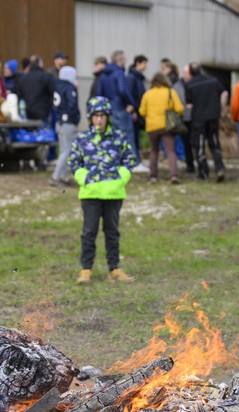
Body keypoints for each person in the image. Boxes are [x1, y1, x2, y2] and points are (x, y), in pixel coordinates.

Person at [67, 96, 138, 285]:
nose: (99, 119)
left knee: (112, 232)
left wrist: (120, 179)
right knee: (88, 232)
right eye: (96, 115)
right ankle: (86, 269)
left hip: (113, 194)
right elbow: (74, 162)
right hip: (91, 193)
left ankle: (114, 269)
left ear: (108, 116)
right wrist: (85, 179)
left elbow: (130, 159)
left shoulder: (119, 138)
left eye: (102, 115)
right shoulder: (82, 139)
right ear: (90, 117)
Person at [185, 62, 228, 181]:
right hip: (213, 117)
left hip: (198, 119)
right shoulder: (213, 80)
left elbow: (189, 105)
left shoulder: (190, 85)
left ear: (190, 72)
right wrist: (221, 108)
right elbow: (224, 93)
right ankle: (219, 168)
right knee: (214, 143)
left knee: (199, 145)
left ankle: (203, 173)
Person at [139, 72, 184, 184]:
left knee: (154, 151)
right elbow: (179, 108)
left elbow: (142, 111)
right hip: (167, 126)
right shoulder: (170, 92)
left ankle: (153, 176)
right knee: (170, 151)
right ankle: (173, 175)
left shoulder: (148, 94)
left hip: (152, 126)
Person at [96, 50, 136, 159]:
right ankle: (131, 161)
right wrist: (130, 103)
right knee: (126, 135)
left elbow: (99, 93)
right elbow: (122, 90)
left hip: (108, 110)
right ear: (120, 60)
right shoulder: (119, 73)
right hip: (120, 108)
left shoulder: (103, 75)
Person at [50, 65, 80, 186]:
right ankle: (55, 176)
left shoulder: (57, 86)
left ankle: (64, 176)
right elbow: (72, 105)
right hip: (67, 123)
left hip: (59, 121)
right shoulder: (69, 88)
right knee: (66, 151)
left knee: (63, 150)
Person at [16, 55, 55, 123]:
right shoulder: (46, 77)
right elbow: (53, 92)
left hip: (28, 113)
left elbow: (19, 95)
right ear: (39, 64)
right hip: (44, 113)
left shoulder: (23, 78)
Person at [127, 55, 148, 161]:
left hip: (139, 111)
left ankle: (137, 158)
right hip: (135, 111)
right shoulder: (132, 78)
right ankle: (135, 160)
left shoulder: (139, 78)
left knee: (137, 136)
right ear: (138, 63)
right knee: (134, 137)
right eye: (144, 63)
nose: (146, 66)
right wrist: (133, 111)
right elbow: (131, 96)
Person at [175, 64, 195, 175]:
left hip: (195, 118)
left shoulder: (195, 83)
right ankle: (190, 164)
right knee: (186, 143)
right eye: (185, 72)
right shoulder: (177, 86)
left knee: (194, 143)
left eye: (188, 73)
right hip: (183, 118)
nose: (186, 75)